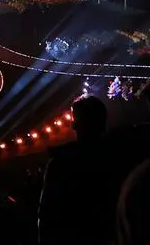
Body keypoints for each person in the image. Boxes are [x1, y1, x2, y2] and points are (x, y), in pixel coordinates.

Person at [39, 96, 116, 245]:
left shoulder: (61, 161)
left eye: (75, 118)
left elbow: (47, 214)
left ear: (76, 124)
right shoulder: (118, 155)